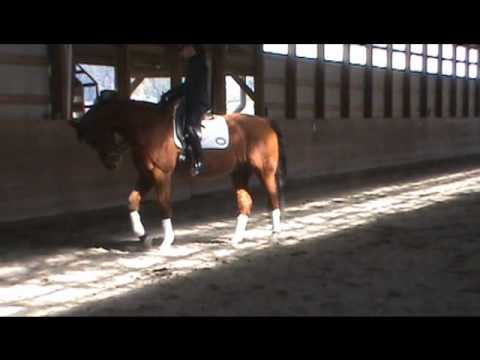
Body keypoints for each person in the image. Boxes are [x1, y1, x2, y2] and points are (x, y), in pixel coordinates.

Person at [161, 44, 210, 176]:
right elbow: (187, 86)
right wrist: (170, 94)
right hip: (190, 101)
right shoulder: (192, 63)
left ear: (191, 48)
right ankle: (184, 150)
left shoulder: (199, 63)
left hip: (198, 102)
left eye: (183, 49)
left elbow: (189, 86)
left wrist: (172, 94)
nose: (181, 53)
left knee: (190, 127)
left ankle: (200, 161)